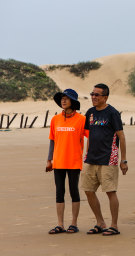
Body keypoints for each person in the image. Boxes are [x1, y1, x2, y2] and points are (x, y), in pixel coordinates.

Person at [81, 83, 128, 236]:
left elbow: (121, 136)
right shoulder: (90, 112)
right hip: (91, 158)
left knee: (110, 191)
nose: (93, 97)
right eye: (92, 94)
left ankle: (114, 225)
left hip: (109, 158)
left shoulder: (112, 113)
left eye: (97, 95)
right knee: (88, 190)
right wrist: (86, 155)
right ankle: (100, 222)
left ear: (105, 97)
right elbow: (89, 135)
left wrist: (124, 160)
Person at [46, 89, 87, 234]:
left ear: (73, 102)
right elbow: (52, 140)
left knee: (74, 192)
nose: (63, 101)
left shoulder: (82, 119)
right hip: (58, 161)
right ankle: (60, 224)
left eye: (66, 99)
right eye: (62, 98)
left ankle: (74, 224)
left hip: (74, 161)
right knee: (59, 192)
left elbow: (92, 138)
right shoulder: (55, 119)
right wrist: (49, 160)